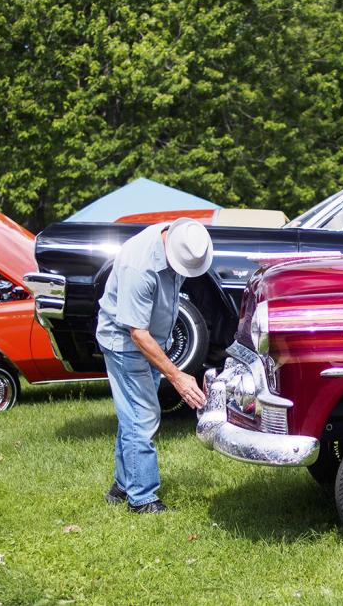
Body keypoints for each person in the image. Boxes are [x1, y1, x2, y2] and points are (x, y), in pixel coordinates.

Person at [96, 218, 212, 513]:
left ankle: (123, 485)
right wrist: (177, 377)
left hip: (150, 341)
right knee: (142, 417)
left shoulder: (180, 236)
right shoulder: (140, 267)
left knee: (132, 413)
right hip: (125, 343)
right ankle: (143, 499)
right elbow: (137, 332)